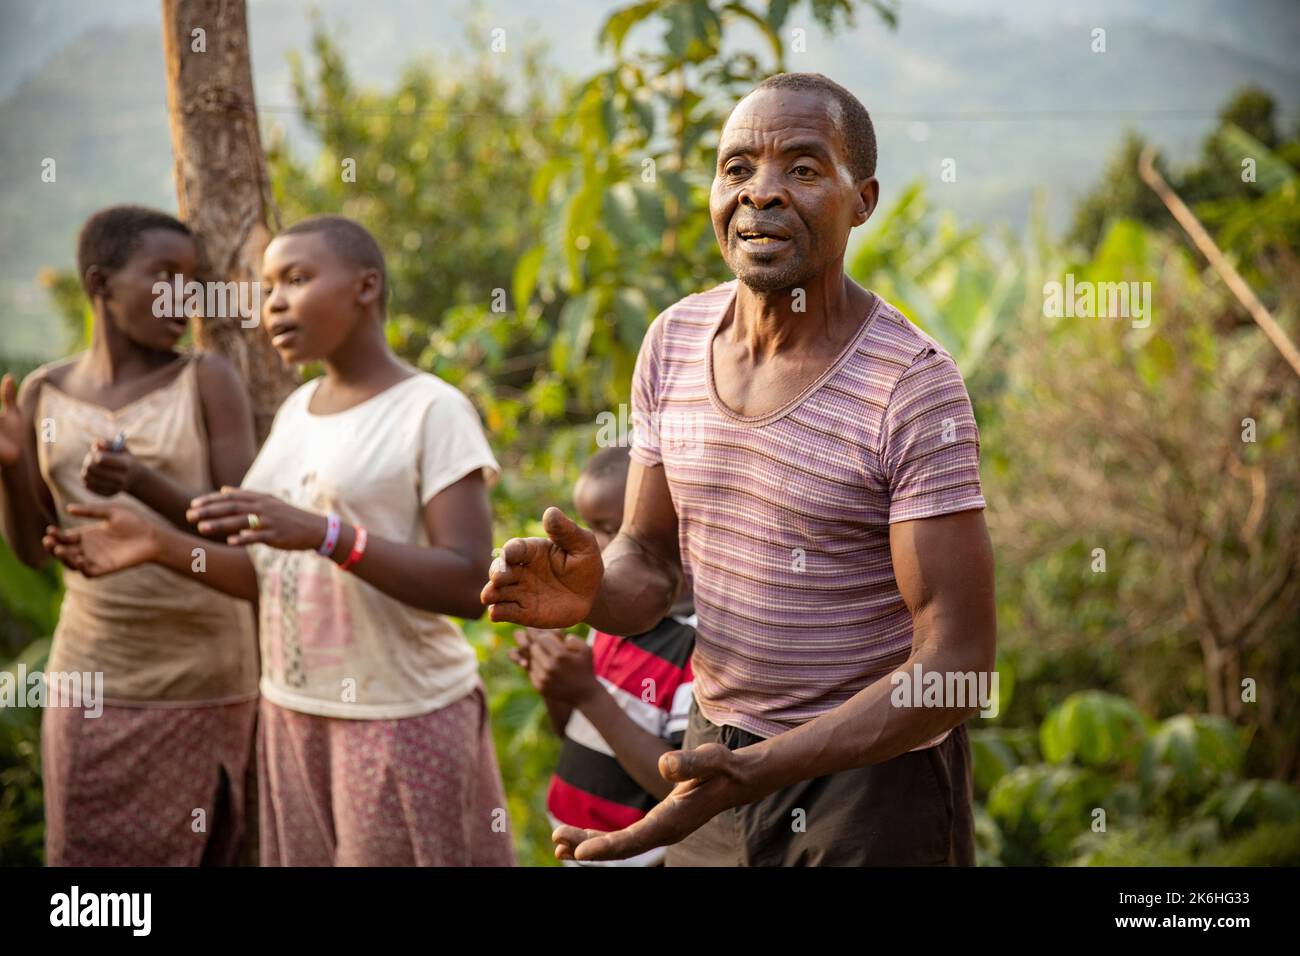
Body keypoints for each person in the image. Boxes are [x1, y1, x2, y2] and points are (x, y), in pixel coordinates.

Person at [481, 73, 997, 866]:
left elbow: (958, 665)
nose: (761, 193)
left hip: (869, 788)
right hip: (710, 763)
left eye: (802, 168)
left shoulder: (911, 385)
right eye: (735, 169)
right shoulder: (675, 340)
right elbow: (649, 558)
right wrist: (594, 592)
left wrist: (761, 768)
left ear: (863, 199)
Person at [43, 215, 515, 867]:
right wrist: (157, 542)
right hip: (295, 712)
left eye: (296, 279)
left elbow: (469, 582)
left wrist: (328, 535)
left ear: (365, 286)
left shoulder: (430, 409)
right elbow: (265, 569)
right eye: (266, 289)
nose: (275, 305)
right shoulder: (299, 412)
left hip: (399, 715)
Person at [0, 205, 260, 865]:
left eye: (194, 279)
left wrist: (143, 483)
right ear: (100, 283)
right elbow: (34, 549)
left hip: (206, 681)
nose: (186, 296)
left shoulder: (205, 381)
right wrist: (8, 471)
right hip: (92, 678)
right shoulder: (43, 394)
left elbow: (250, 545)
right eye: (164, 275)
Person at [510, 446, 695, 867]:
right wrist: (558, 687)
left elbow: (683, 788)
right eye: (588, 529)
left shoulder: (694, 646)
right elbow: (577, 733)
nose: (597, 548)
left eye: (611, 529)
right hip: (577, 851)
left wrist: (588, 694)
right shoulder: (607, 626)